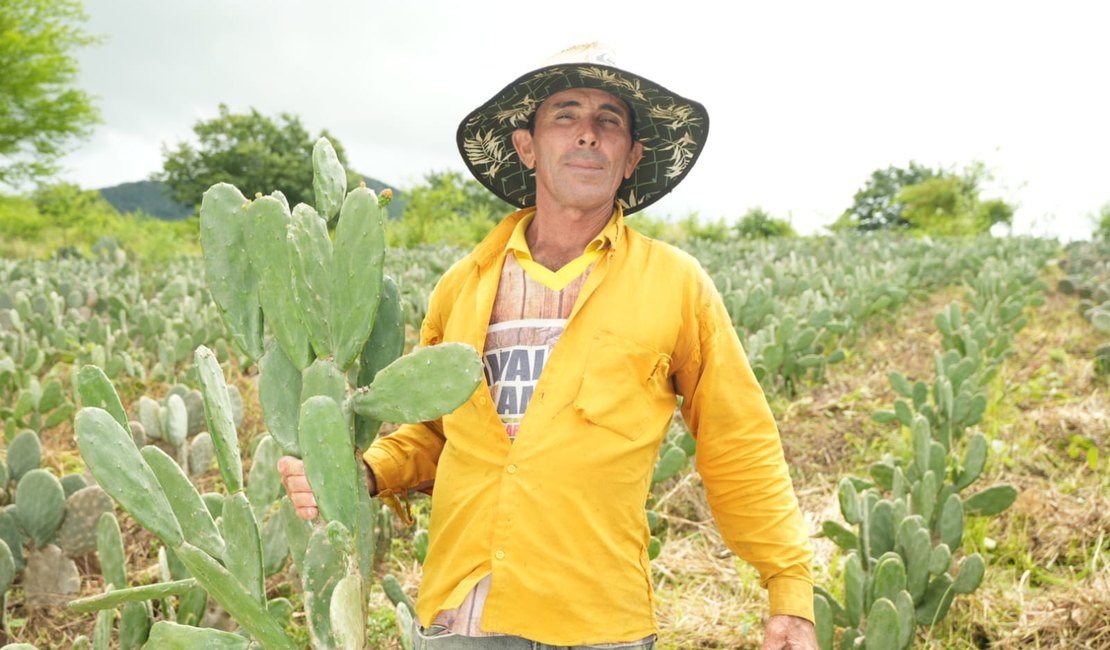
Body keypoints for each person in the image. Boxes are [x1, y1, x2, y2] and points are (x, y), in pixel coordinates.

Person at [279, 43, 816, 650]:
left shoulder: (676, 284)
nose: (588, 133)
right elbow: (434, 433)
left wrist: (789, 590)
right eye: (565, 115)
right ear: (526, 146)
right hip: (464, 615)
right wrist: (360, 471)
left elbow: (737, 439)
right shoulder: (462, 285)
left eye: (609, 120)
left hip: (597, 619)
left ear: (632, 157)